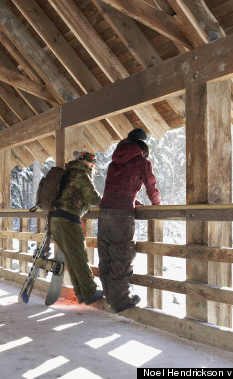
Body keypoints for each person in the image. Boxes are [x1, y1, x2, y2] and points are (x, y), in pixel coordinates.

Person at [97, 128, 162, 312]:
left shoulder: (114, 162)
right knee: (122, 254)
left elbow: (117, 188)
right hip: (121, 213)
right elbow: (151, 185)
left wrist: (132, 199)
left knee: (106, 253)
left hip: (105, 210)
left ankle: (110, 296)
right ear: (142, 145)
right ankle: (120, 301)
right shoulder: (142, 161)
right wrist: (158, 205)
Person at [50, 150, 103, 305]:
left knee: (72, 258)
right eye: (90, 159)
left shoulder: (68, 173)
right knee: (79, 257)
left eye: (94, 159)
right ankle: (90, 292)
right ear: (81, 160)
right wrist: (112, 201)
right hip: (68, 220)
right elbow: (93, 197)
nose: (93, 162)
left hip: (56, 220)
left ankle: (81, 293)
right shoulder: (81, 174)